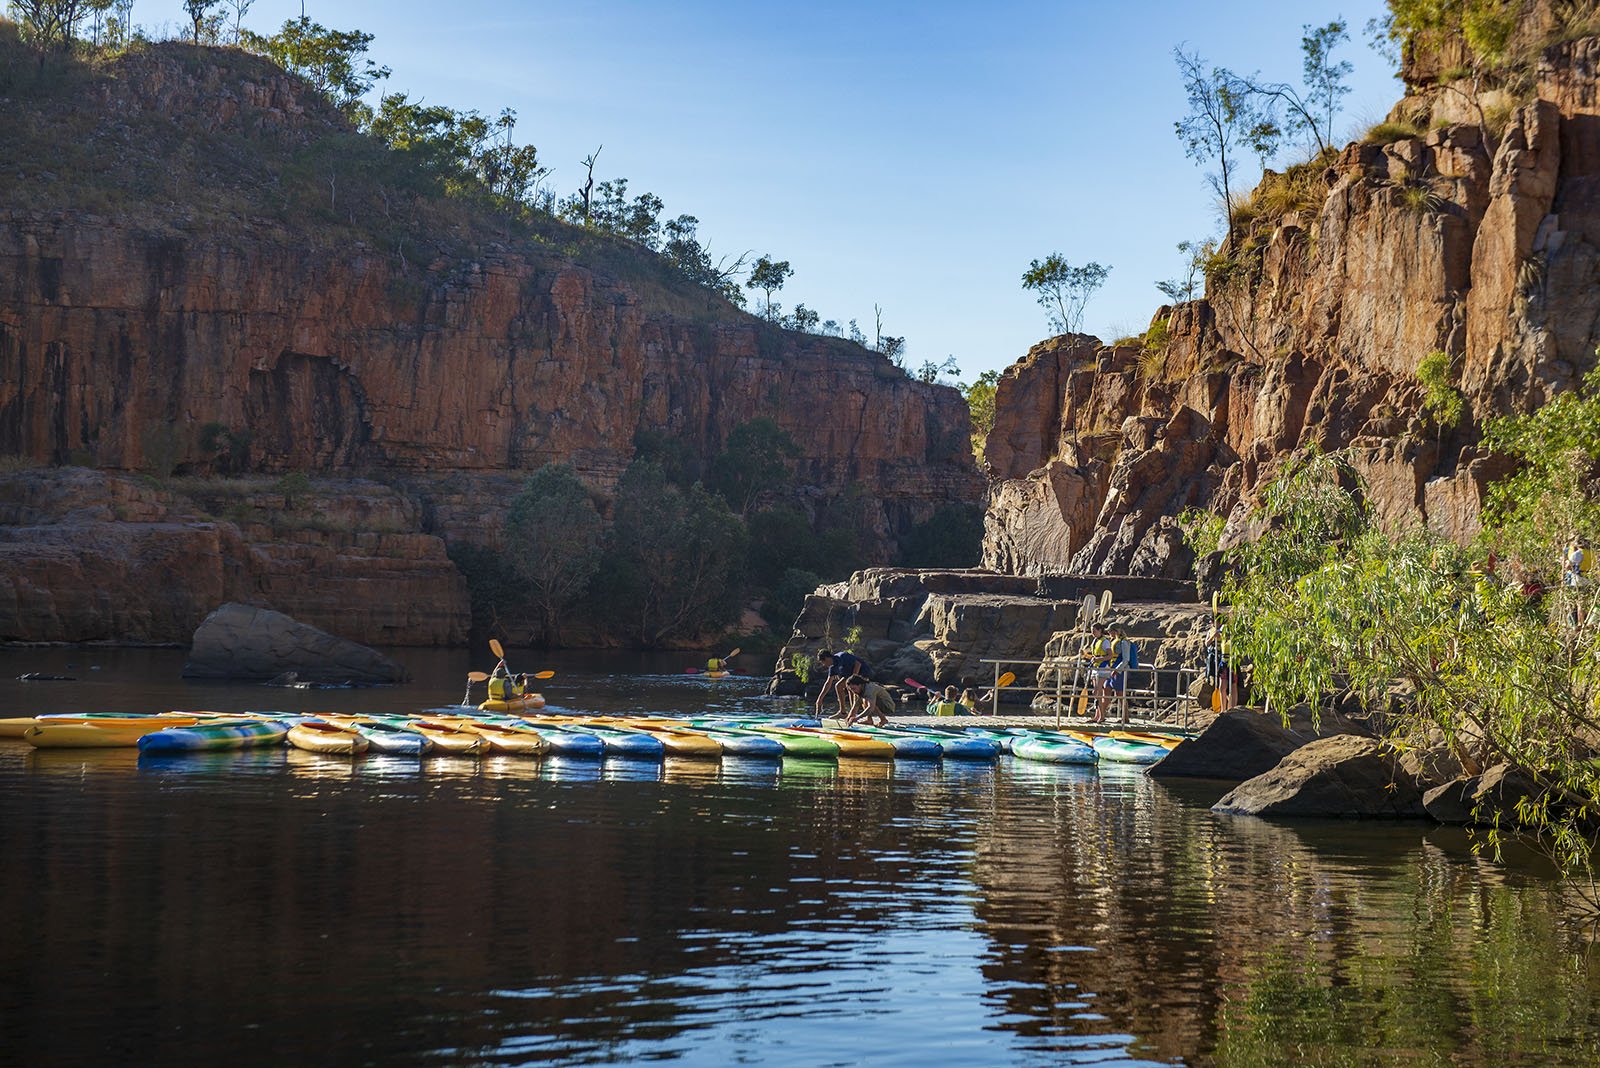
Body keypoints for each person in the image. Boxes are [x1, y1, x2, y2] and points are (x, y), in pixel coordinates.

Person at [814, 648, 869, 718]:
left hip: (863, 672)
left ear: (827, 658)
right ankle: (843, 712)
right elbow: (828, 683)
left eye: (823, 662)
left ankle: (853, 714)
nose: (824, 665)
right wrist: (820, 699)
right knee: (841, 687)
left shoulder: (842, 656)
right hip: (849, 676)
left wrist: (853, 680)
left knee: (842, 686)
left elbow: (858, 664)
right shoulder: (832, 667)